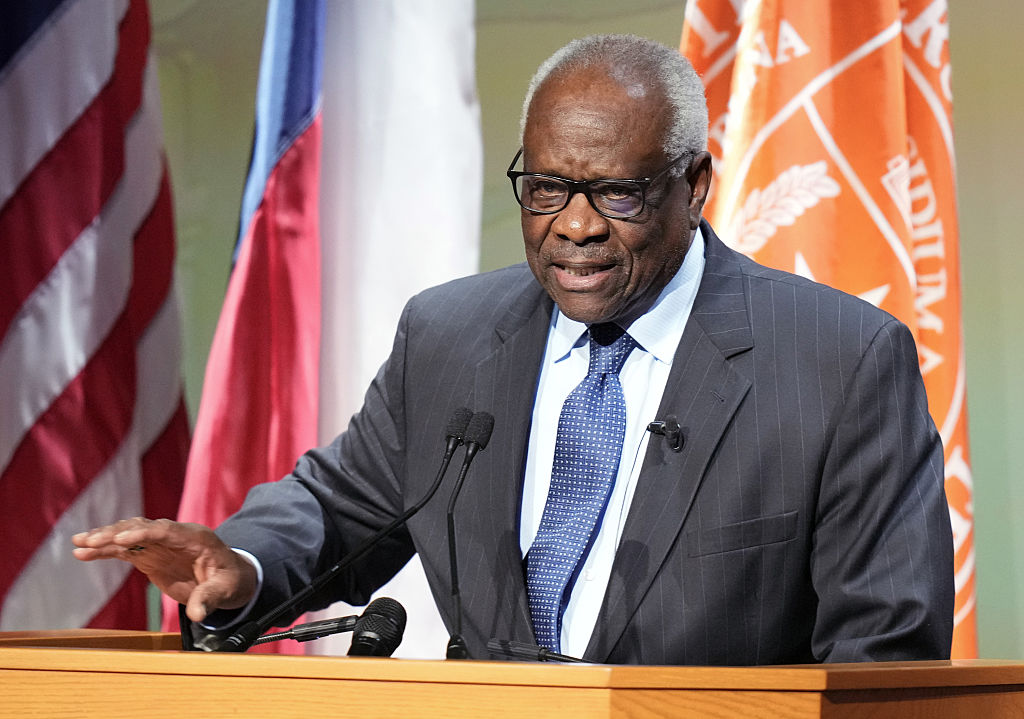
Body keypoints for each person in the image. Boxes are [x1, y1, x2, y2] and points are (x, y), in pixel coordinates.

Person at [73, 34, 954, 665]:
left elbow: (884, 659)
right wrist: (245, 563)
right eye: (545, 189)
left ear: (694, 185)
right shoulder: (450, 333)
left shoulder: (838, 362)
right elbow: (340, 507)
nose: (574, 226)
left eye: (615, 193)